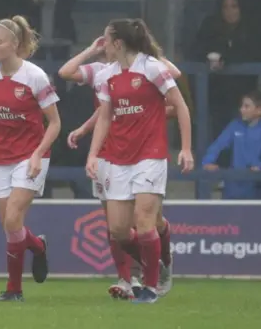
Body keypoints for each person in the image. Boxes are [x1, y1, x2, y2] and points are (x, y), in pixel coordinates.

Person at [59, 36, 181, 299]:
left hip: (141, 151)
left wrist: (147, 49)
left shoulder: (146, 67)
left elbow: (175, 74)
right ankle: (127, 279)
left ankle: (160, 265)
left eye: (111, 38)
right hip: (108, 153)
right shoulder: (100, 71)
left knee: (148, 220)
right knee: (116, 224)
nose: (107, 42)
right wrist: (91, 49)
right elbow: (69, 75)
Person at [86, 18, 193, 304]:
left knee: (144, 221)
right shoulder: (106, 75)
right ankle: (156, 263)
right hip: (118, 158)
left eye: (106, 41)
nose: (103, 46)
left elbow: (180, 106)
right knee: (119, 230)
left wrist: (185, 148)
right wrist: (93, 153)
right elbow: (105, 116)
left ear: (118, 43)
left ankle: (150, 286)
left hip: (150, 155)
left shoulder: (153, 68)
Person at [0, 16, 61, 302]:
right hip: (1, 157)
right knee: (10, 227)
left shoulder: (35, 76)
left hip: (31, 155)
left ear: (14, 44)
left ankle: (14, 290)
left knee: (13, 219)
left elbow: (55, 123)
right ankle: (37, 246)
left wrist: (37, 154)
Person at [202, 91, 261, 199]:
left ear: (259, 110)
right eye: (242, 106)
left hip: (257, 188)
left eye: (246, 106)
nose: (241, 109)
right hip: (233, 187)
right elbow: (218, 145)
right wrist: (207, 162)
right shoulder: (235, 125)